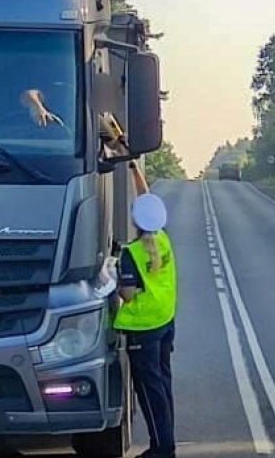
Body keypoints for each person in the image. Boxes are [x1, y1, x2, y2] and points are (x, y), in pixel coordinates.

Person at [114, 163, 178, 458]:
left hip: (143, 329)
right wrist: (133, 170)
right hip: (165, 320)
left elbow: (127, 296)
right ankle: (167, 443)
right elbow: (147, 200)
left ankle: (160, 450)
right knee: (162, 384)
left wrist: (114, 275)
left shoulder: (131, 253)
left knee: (149, 391)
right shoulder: (161, 238)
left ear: (135, 221)